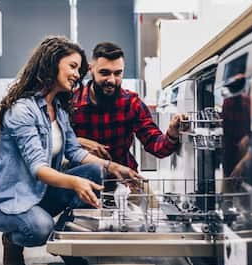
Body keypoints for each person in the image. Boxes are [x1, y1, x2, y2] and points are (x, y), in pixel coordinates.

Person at [0, 36, 140, 265]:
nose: (78, 74)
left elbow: (75, 151)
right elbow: (39, 168)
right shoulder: (22, 110)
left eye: (79, 68)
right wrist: (75, 182)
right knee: (40, 229)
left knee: (96, 170)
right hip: (10, 201)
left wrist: (114, 168)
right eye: (73, 66)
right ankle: (12, 240)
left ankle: (68, 244)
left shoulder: (58, 108)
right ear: (51, 64)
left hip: (39, 193)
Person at [71, 42, 186, 171]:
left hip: (125, 177)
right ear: (90, 69)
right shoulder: (72, 103)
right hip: (82, 180)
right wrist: (77, 142)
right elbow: (54, 144)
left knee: (145, 190)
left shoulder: (131, 103)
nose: (112, 80)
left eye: (118, 73)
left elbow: (155, 145)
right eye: (105, 73)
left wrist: (171, 134)